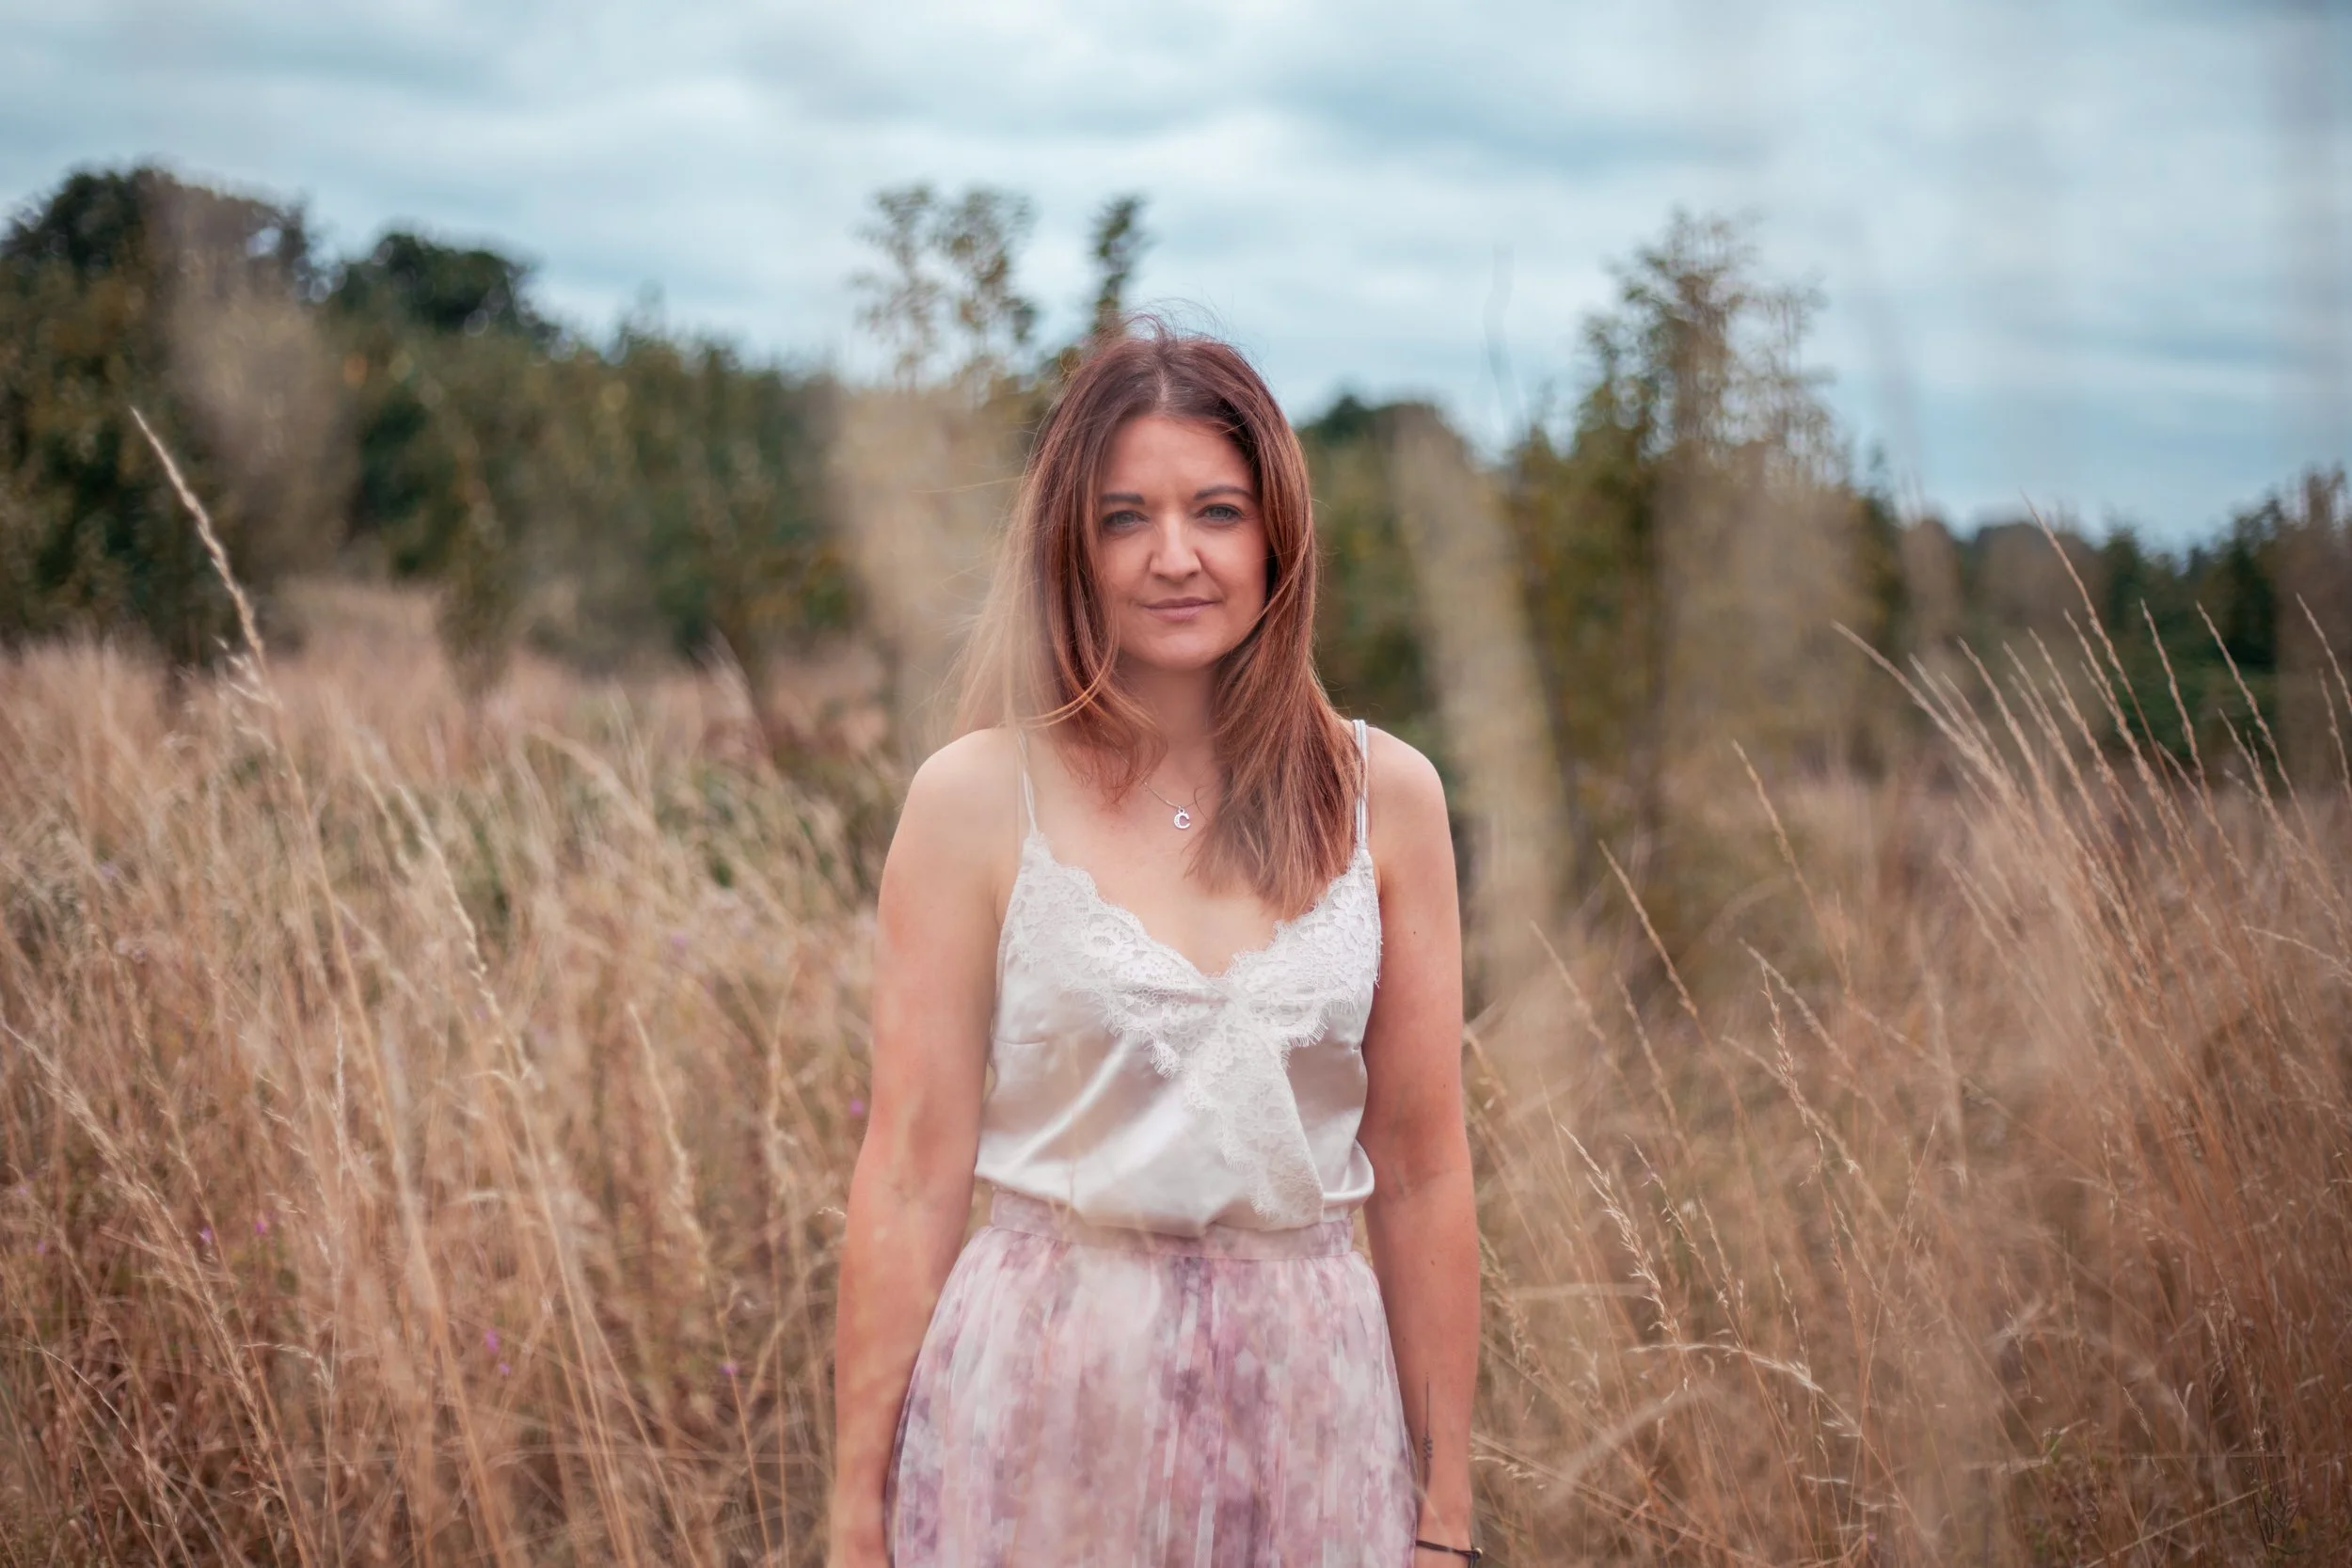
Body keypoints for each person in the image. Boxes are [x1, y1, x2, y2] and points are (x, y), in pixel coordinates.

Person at [827, 323, 1481, 1567]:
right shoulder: (973, 797)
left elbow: (1424, 1167)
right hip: (1035, 1401)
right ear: (1071, 543)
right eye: (1126, 517)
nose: (1175, 557)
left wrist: (1444, 1520)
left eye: (1216, 511)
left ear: (1276, 532)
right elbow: (911, 1173)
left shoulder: (1384, 796)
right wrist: (857, 1512)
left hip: (1313, 1409)